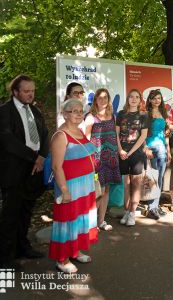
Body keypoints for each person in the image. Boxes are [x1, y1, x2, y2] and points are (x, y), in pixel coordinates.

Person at [0, 74, 49, 269]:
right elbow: (8, 141)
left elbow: (45, 135)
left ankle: (23, 247)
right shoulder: (4, 112)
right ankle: (4, 257)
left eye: (33, 90)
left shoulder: (34, 111)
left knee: (26, 212)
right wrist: (34, 157)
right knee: (10, 214)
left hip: (34, 170)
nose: (31, 94)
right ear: (15, 91)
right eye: (26, 91)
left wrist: (43, 157)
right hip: (13, 171)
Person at [48, 98, 97, 273]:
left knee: (79, 220)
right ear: (64, 114)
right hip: (70, 187)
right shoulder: (61, 135)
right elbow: (56, 166)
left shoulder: (79, 131)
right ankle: (62, 260)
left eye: (80, 110)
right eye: (73, 111)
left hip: (84, 186)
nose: (78, 113)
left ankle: (75, 251)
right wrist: (64, 189)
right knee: (67, 221)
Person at [84, 88, 122, 231]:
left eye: (105, 97)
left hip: (111, 156)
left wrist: (119, 151)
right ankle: (91, 223)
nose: (103, 100)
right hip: (97, 158)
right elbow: (86, 138)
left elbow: (116, 135)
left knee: (106, 189)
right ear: (95, 101)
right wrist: (88, 157)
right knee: (96, 191)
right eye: (100, 98)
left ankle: (101, 220)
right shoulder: (90, 116)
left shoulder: (112, 116)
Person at [116, 89, 148, 226]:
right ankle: (126, 211)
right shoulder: (121, 114)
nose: (133, 99)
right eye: (131, 97)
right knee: (126, 183)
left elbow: (143, 136)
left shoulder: (144, 115)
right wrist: (120, 150)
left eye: (136, 97)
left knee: (136, 183)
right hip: (122, 153)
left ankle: (132, 213)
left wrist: (130, 152)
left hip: (137, 154)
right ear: (128, 99)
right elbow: (116, 133)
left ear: (140, 100)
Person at [144, 89, 171, 219]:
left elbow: (166, 135)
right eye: (154, 98)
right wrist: (145, 149)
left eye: (159, 98)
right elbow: (141, 133)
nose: (156, 100)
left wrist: (169, 150)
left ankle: (155, 206)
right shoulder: (146, 114)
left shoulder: (163, 112)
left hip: (162, 150)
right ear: (149, 100)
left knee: (159, 178)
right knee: (152, 178)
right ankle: (151, 208)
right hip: (150, 149)